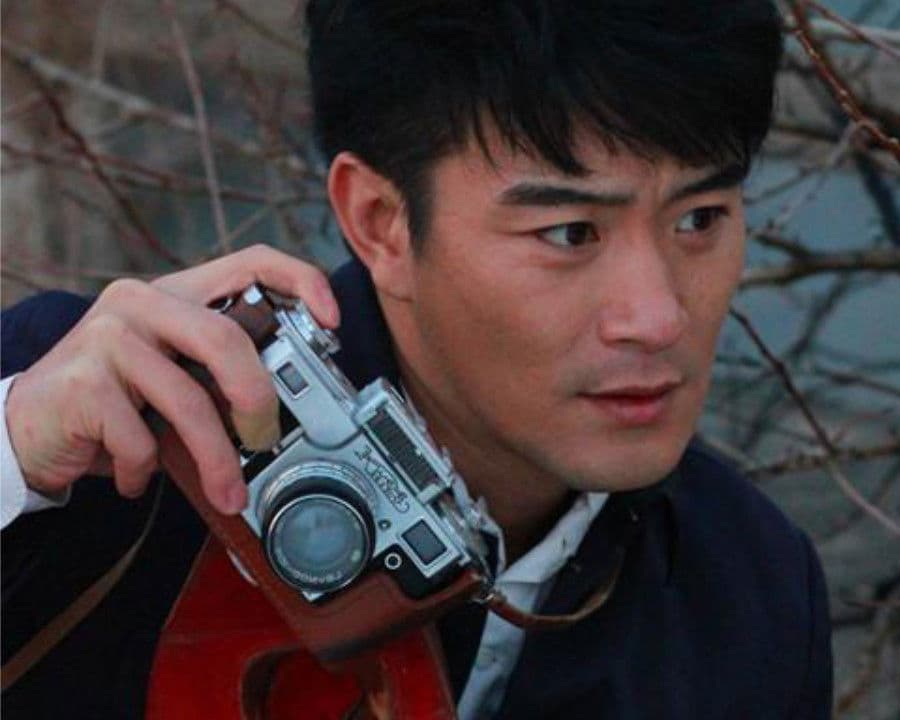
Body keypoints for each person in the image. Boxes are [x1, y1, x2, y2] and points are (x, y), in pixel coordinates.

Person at [1, 1, 832, 717]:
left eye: (700, 219)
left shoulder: (753, 596)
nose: (656, 318)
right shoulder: (93, 422)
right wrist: (15, 456)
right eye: (570, 232)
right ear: (379, 221)